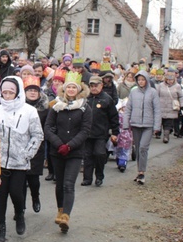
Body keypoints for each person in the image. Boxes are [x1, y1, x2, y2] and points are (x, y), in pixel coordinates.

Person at [0, 77, 43, 242]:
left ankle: (19, 214)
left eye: (11, 92)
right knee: (0, 196)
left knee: (16, 192)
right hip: (0, 162)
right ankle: (0, 229)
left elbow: (37, 134)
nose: (7, 95)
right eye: (4, 92)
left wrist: (27, 153)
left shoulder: (29, 111)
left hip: (20, 162)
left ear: (18, 92)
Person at [44, 71, 92, 233]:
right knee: (59, 183)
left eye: (74, 87)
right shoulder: (56, 106)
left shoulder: (85, 107)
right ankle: (60, 209)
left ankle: (66, 216)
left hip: (75, 152)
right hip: (57, 150)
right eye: (68, 87)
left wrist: (70, 145)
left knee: (68, 184)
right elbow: (48, 127)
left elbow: (85, 131)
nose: (71, 90)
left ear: (79, 89)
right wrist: (58, 144)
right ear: (64, 89)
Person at [123, 70, 161, 185]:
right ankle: (139, 171)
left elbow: (157, 110)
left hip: (148, 125)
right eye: (139, 80)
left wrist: (157, 126)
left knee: (143, 148)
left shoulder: (153, 92)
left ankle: (142, 172)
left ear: (147, 80)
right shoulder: (133, 92)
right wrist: (126, 123)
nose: (141, 82)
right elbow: (128, 108)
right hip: (135, 124)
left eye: (143, 79)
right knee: (138, 148)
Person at [81, 76, 119, 187]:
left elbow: (114, 117)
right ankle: (87, 178)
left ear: (101, 85)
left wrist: (115, 132)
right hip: (87, 133)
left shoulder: (107, 99)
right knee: (87, 157)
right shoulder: (85, 98)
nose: (93, 88)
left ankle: (99, 176)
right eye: (91, 86)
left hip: (101, 133)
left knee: (99, 154)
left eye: (96, 86)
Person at [23, 75, 51, 188]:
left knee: (34, 177)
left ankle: (36, 198)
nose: (32, 93)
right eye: (30, 90)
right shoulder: (20, 106)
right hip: (21, 142)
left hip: (38, 144)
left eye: (35, 90)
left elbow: (48, 125)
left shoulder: (45, 108)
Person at [157, 69, 183, 143]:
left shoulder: (177, 86)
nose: (170, 81)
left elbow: (181, 96)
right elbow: (156, 96)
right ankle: (158, 132)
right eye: (168, 79)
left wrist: (182, 105)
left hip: (171, 108)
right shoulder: (161, 86)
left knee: (168, 123)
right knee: (160, 121)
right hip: (161, 106)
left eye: (171, 80)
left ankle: (166, 136)